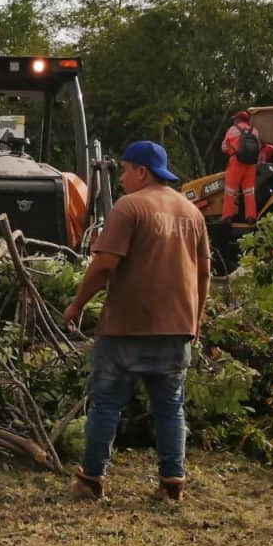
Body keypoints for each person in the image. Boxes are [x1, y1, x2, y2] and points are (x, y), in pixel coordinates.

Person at [63, 141, 211, 502]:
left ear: (142, 171)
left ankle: (90, 480)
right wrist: (196, 320)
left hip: (126, 328)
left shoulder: (129, 207)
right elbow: (204, 272)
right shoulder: (192, 213)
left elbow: (104, 265)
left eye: (126, 170)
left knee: (107, 404)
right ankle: (172, 483)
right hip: (177, 328)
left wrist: (76, 305)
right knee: (170, 407)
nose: (123, 177)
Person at [221, 111, 259, 222]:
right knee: (249, 192)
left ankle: (227, 216)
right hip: (251, 164)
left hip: (236, 162)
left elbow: (224, 147)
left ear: (238, 120)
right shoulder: (255, 131)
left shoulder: (232, 130)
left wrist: (232, 151)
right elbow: (258, 147)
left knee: (230, 191)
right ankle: (251, 216)